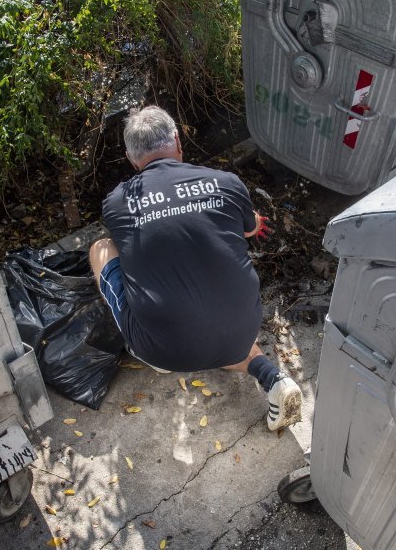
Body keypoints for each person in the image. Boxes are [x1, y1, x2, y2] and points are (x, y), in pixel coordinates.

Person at [89, 106, 302, 431]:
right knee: (216, 318)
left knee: (101, 248)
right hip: (242, 328)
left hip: (165, 351)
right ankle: (273, 378)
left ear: (132, 160)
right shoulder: (226, 182)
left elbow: (135, 244)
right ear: (178, 141)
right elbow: (250, 228)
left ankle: (147, 345)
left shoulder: (118, 202)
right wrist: (252, 219)